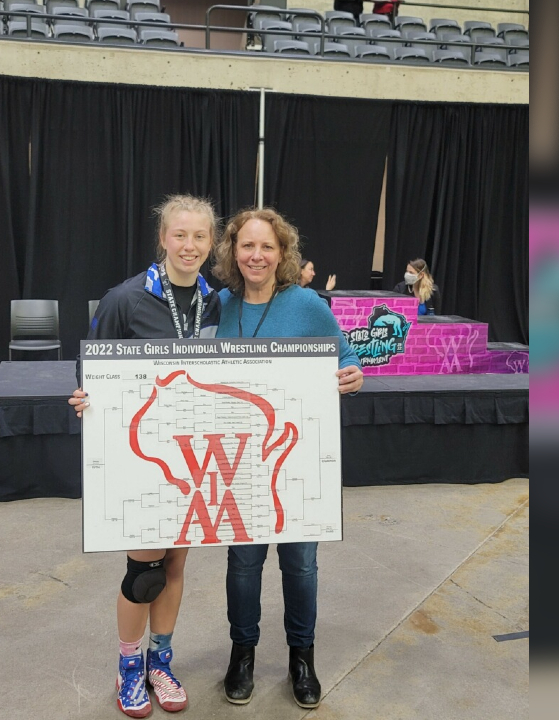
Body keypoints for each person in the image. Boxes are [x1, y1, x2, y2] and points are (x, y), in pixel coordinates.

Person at [68, 194, 221, 717]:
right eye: (180, 235)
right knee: (145, 570)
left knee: (176, 563)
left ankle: (161, 661)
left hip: (193, 457)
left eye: (199, 236)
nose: (189, 245)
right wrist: (85, 396)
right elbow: (91, 370)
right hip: (141, 456)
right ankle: (128, 666)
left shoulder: (214, 302)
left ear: (211, 242)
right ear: (163, 238)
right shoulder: (126, 299)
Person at [210, 207, 364, 709]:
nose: (256, 255)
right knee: (243, 563)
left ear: (282, 253)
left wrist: (354, 375)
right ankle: (243, 654)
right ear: (234, 251)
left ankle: (302, 657)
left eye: (267, 246)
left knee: (300, 564)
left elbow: (346, 357)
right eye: (247, 245)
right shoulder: (220, 305)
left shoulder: (307, 305)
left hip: (297, 461)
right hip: (237, 462)